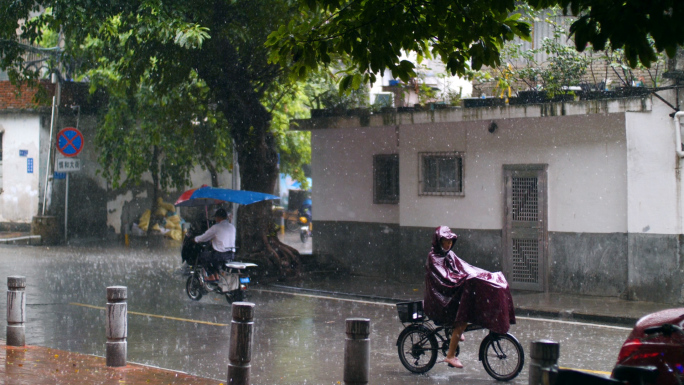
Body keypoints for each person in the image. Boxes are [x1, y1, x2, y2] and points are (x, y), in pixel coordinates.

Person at [424, 226, 516, 369]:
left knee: (468, 305)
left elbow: (465, 268)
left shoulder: (448, 254)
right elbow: (445, 279)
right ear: (438, 241)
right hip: (440, 301)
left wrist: (481, 275)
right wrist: (466, 280)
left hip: (448, 297)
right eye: (445, 241)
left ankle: (455, 332)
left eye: (450, 241)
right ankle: (450, 356)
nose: (448, 244)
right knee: (462, 319)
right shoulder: (434, 257)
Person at [193, 208, 236, 281]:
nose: (215, 219)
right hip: (231, 254)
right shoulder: (232, 227)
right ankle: (217, 275)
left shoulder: (216, 227)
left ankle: (211, 275)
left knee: (203, 256)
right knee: (213, 256)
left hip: (220, 255)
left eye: (216, 217)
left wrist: (195, 239)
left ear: (219, 217)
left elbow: (204, 237)